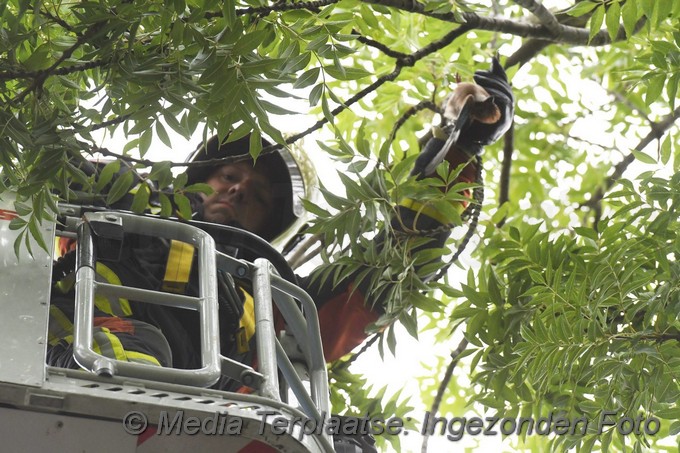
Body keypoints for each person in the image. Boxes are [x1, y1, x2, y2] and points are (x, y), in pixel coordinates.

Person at [46, 57, 512, 441]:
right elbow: (44, 163)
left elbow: (392, 266)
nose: (240, 190)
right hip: (86, 363)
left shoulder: (273, 299)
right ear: (202, 178)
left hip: (205, 428)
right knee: (134, 353)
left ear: (269, 226)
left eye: (260, 195)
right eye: (230, 176)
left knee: (346, 441)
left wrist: (457, 146)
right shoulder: (121, 204)